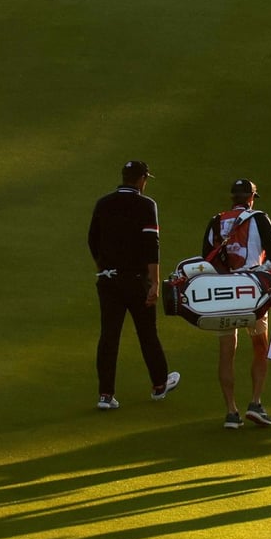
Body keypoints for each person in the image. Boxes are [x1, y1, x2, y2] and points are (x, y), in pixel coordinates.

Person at [201, 178, 271, 429]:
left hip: (223, 292)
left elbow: (206, 260)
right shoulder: (259, 219)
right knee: (259, 345)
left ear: (233, 198)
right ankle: (255, 402)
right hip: (252, 291)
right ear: (251, 198)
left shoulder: (216, 221)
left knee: (226, 350)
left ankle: (231, 411)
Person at [88, 160, 180, 410]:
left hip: (108, 280)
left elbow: (92, 239)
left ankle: (105, 395)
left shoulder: (103, 203)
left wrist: (103, 266)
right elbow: (152, 246)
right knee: (147, 333)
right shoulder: (146, 204)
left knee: (109, 336)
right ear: (141, 179)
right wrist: (155, 283)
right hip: (137, 280)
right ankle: (160, 384)